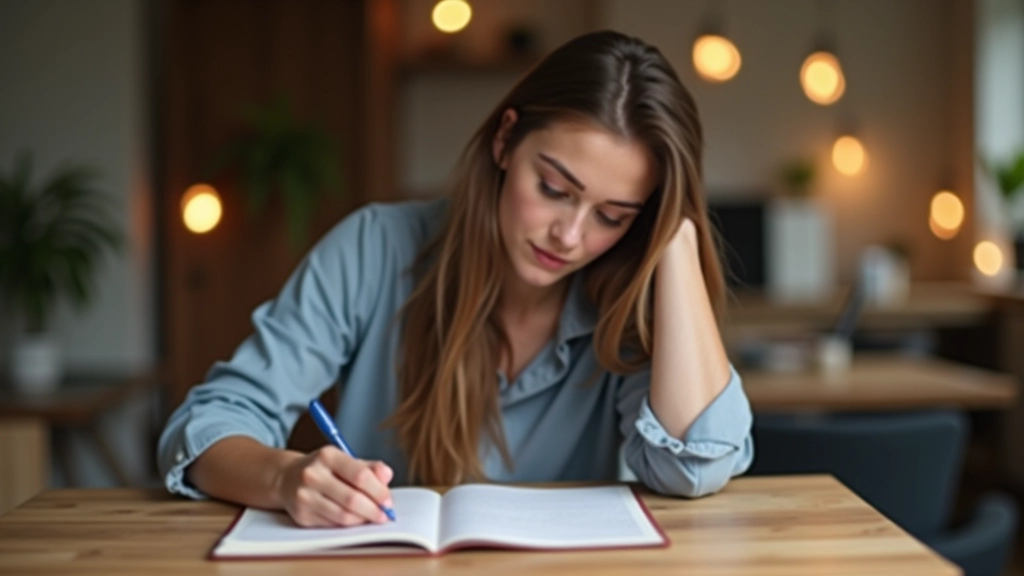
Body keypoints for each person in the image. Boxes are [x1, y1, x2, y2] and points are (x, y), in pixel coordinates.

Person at [158, 30, 753, 528]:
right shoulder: (374, 248)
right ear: (504, 140)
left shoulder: (629, 292)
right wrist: (286, 477)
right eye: (552, 189)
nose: (569, 237)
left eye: (612, 215)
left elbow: (694, 467)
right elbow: (207, 426)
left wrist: (675, 234)